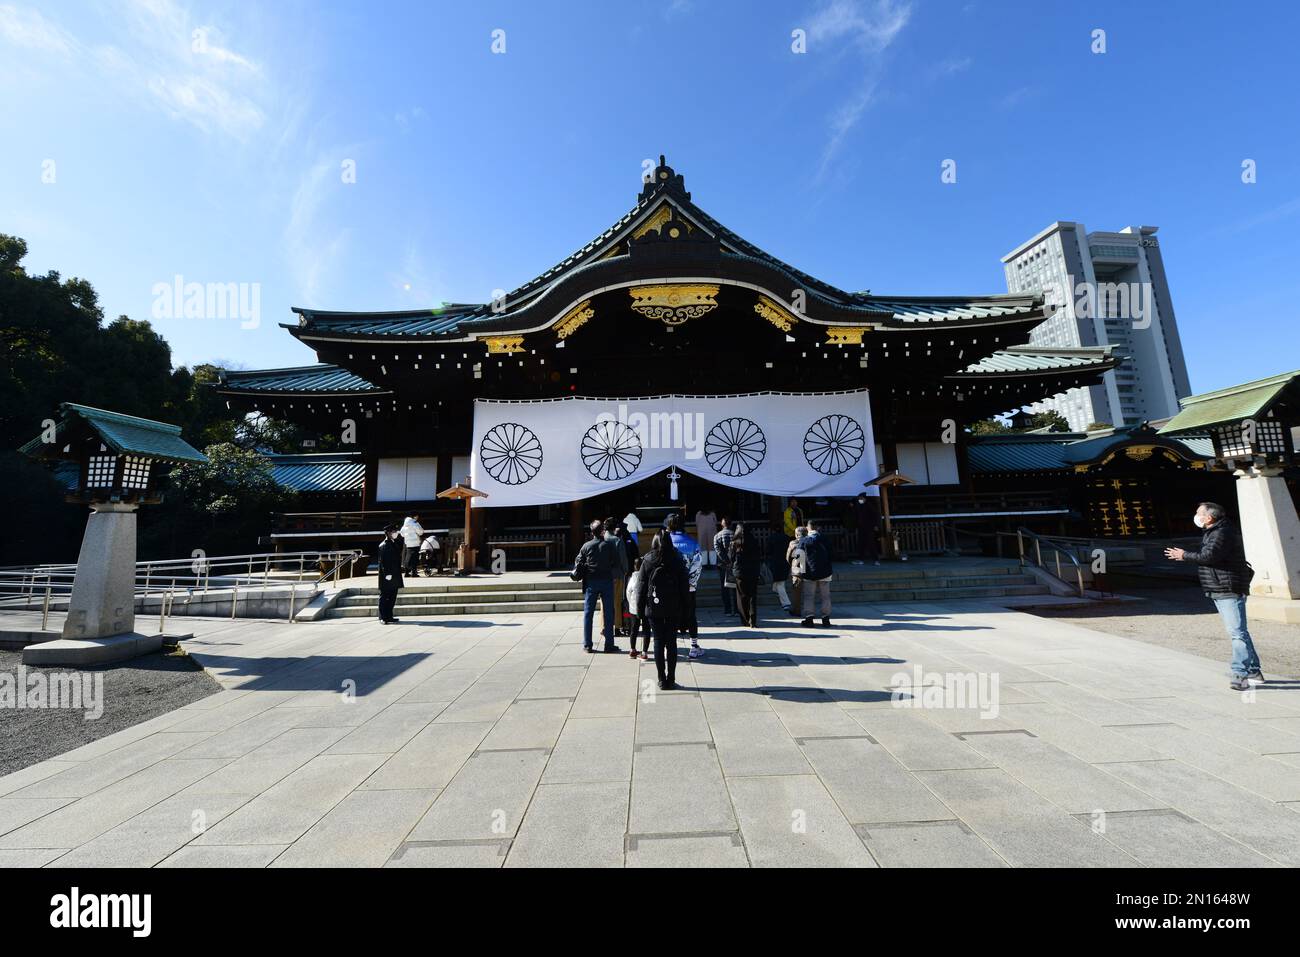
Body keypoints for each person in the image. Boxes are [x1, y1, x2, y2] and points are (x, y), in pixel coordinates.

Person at [1165, 502, 1262, 690]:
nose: (1196, 516)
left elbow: (1209, 556)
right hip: (1220, 586)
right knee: (1239, 631)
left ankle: (1240, 673)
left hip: (1228, 586)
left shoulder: (1221, 533)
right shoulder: (1216, 532)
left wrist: (1184, 555)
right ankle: (1253, 670)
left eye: (1198, 513)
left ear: (1209, 517)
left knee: (1237, 632)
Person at [636, 527, 689, 689]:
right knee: (671, 642)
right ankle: (671, 678)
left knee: (658, 641)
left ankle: (661, 678)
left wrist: (639, 610)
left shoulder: (648, 560)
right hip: (674, 605)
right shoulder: (678, 558)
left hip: (654, 605)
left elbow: (641, 587)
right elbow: (684, 587)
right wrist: (686, 610)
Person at [573, 520, 622, 653]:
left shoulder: (586, 546)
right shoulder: (609, 545)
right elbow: (616, 562)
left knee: (588, 614)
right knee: (608, 613)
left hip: (591, 582)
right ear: (602, 531)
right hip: (606, 580)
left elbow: (578, 562)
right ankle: (609, 644)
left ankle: (587, 644)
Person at [667, 513, 704, 659]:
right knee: (690, 616)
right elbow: (697, 565)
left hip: (670, 586)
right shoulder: (692, 542)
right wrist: (691, 583)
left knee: (669, 616)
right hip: (688, 586)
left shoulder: (666, 541)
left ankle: (669, 646)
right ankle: (693, 646)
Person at [799, 519, 834, 628]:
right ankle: (826, 619)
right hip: (825, 572)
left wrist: (801, 572)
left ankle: (809, 618)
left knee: (809, 596)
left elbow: (799, 557)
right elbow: (831, 554)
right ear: (817, 528)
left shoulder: (804, 540)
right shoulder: (825, 539)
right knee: (825, 596)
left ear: (807, 527)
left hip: (810, 573)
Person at [731, 522, 762, 627]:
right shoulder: (754, 541)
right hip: (753, 570)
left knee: (742, 596)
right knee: (753, 596)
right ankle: (753, 620)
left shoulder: (735, 542)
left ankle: (745, 619)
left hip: (739, 572)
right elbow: (759, 556)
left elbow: (731, 557)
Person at [605, 518, 629, 636]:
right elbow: (623, 559)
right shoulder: (617, 540)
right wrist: (625, 570)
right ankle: (617, 626)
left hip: (604, 575)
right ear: (614, 528)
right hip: (617, 574)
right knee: (617, 601)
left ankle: (604, 626)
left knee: (604, 602)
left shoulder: (602, 539)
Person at [377, 523, 405, 624]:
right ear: (388, 533)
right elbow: (383, 562)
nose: (395, 533)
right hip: (387, 576)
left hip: (395, 574)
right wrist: (387, 573)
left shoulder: (393, 542)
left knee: (392, 597)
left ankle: (389, 616)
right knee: (384, 596)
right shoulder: (383, 545)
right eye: (393, 532)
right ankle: (382, 617)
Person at [625, 557, 650, 660]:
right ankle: (644, 652)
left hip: (634, 608)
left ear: (635, 566)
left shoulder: (632, 578)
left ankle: (632, 650)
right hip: (645, 607)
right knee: (646, 629)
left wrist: (631, 604)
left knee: (634, 629)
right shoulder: (646, 576)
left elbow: (628, 592)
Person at [713, 517, 737, 617]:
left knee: (725, 588)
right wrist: (732, 560)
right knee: (735, 588)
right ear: (731, 524)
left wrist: (726, 561)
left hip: (723, 564)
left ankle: (727, 609)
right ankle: (736, 609)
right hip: (734, 564)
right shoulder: (735, 535)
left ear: (722, 524)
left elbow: (718, 551)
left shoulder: (717, 536)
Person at [851, 492, 881, 566]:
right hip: (861, 527)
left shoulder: (869, 505)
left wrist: (875, 525)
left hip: (869, 527)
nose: (859, 500)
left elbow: (875, 516)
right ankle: (860, 559)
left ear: (864, 499)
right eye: (859, 498)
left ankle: (876, 560)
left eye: (861, 498)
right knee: (861, 543)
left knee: (871, 543)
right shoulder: (859, 506)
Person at [786, 526, 807, 620]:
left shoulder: (793, 543)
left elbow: (788, 556)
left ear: (797, 534)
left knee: (796, 593)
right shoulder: (809, 541)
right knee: (809, 593)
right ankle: (809, 611)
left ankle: (797, 611)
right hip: (808, 569)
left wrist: (792, 564)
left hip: (797, 570)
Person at [768, 532, 792, 613]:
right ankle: (775, 589)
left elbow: (768, 550)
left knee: (779, 583)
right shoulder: (787, 538)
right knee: (781, 582)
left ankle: (786, 603)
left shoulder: (771, 538)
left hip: (775, 562)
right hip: (785, 561)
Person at [400, 512, 425, 576]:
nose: (417, 518)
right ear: (414, 516)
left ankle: (406, 572)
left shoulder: (405, 524)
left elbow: (402, 533)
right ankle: (414, 572)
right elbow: (421, 532)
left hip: (408, 543)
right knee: (414, 558)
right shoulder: (415, 523)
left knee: (408, 557)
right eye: (417, 516)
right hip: (415, 542)